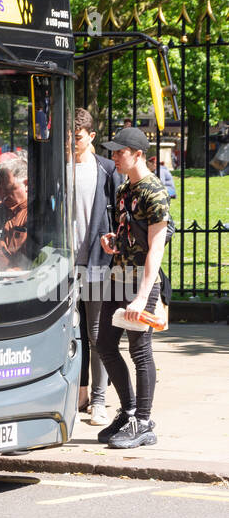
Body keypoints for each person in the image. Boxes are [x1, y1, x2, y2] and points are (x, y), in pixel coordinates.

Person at [96, 127, 170, 450]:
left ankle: (144, 420)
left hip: (142, 282)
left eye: (119, 152)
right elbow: (129, 232)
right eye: (112, 152)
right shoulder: (126, 189)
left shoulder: (155, 192)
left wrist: (143, 296)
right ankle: (128, 411)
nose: (114, 157)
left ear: (138, 154)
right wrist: (114, 242)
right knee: (105, 344)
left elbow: (156, 247)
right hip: (119, 275)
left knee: (140, 349)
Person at [73, 109, 115, 426]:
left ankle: (99, 400)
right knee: (70, 333)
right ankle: (79, 393)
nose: (72, 143)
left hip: (97, 264)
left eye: (77, 137)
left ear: (91, 137)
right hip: (62, 263)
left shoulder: (106, 169)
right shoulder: (56, 169)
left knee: (96, 333)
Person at [0, 152, 30, 268]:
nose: (1, 193)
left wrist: (18, 271)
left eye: (7, 188)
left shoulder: (36, 213)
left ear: (27, 184)